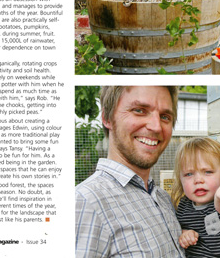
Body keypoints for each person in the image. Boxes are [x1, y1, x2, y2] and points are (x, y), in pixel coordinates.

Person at [76, 86, 184, 258]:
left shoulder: (162, 198)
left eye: (165, 116)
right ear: (107, 118)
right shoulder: (86, 202)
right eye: (139, 110)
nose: (156, 127)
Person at [171, 137, 220, 258]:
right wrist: (185, 234)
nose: (198, 180)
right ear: (180, 179)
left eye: (208, 172)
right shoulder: (183, 206)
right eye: (189, 174)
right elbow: (179, 228)